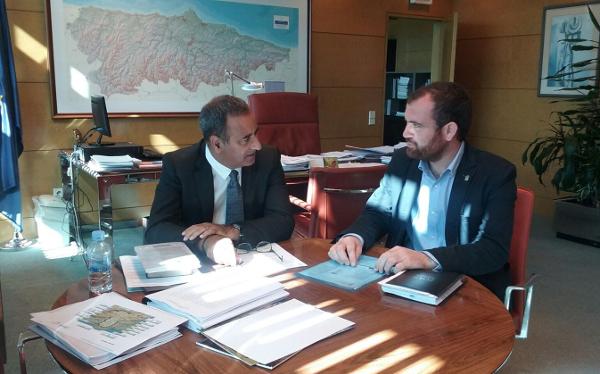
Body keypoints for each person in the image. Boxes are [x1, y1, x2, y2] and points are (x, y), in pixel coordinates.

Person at [328, 82, 516, 299]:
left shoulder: (495, 174)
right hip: (402, 278)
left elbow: (492, 249)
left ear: (449, 131)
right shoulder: (402, 161)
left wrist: (427, 258)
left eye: (416, 125)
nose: (405, 133)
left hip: (466, 285)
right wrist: (355, 237)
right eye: (406, 122)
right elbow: (377, 212)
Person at [145, 95, 294, 265]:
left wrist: (231, 231)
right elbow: (157, 229)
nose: (257, 145)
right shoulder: (180, 165)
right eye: (246, 139)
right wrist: (208, 241)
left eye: (255, 134)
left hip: (255, 259)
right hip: (200, 264)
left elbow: (283, 221)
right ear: (217, 144)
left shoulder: (268, 158)